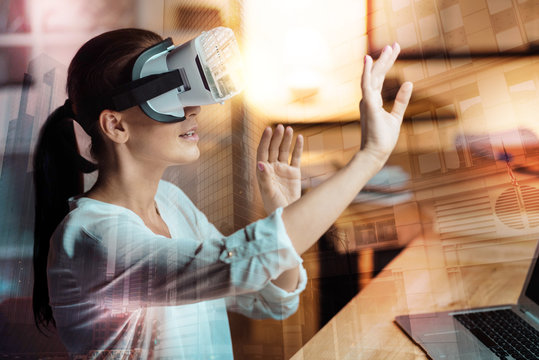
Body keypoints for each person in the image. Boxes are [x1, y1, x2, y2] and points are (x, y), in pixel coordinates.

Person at [32, 28, 412, 359]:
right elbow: (239, 263)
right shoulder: (91, 237)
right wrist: (370, 157)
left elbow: (267, 298)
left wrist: (283, 212)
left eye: (189, 92)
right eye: (170, 97)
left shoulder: (171, 202)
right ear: (115, 125)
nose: (194, 108)